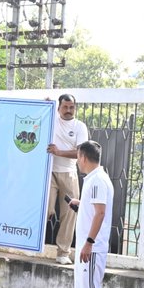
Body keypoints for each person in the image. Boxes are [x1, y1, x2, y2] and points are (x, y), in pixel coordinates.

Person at [55, 141, 114, 288]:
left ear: (83, 157)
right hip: (85, 248)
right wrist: (80, 205)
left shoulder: (98, 180)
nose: (77, 161)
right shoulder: (93, 180)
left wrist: (89, 243)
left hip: (92, 248)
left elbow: (100, 213)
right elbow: (93, 210)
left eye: (77, 157)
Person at [45, 94, 89, 265]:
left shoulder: (80, 127)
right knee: (45, 210)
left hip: (69, 174)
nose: (69, 110)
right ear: (59, 108)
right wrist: (44, 104)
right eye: (65, 107)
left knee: (69, 213)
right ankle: (31, 244)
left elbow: (80, 153)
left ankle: (63, 253)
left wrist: (59, 152)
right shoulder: (52, 120)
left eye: (72, 107)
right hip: (49, 173)